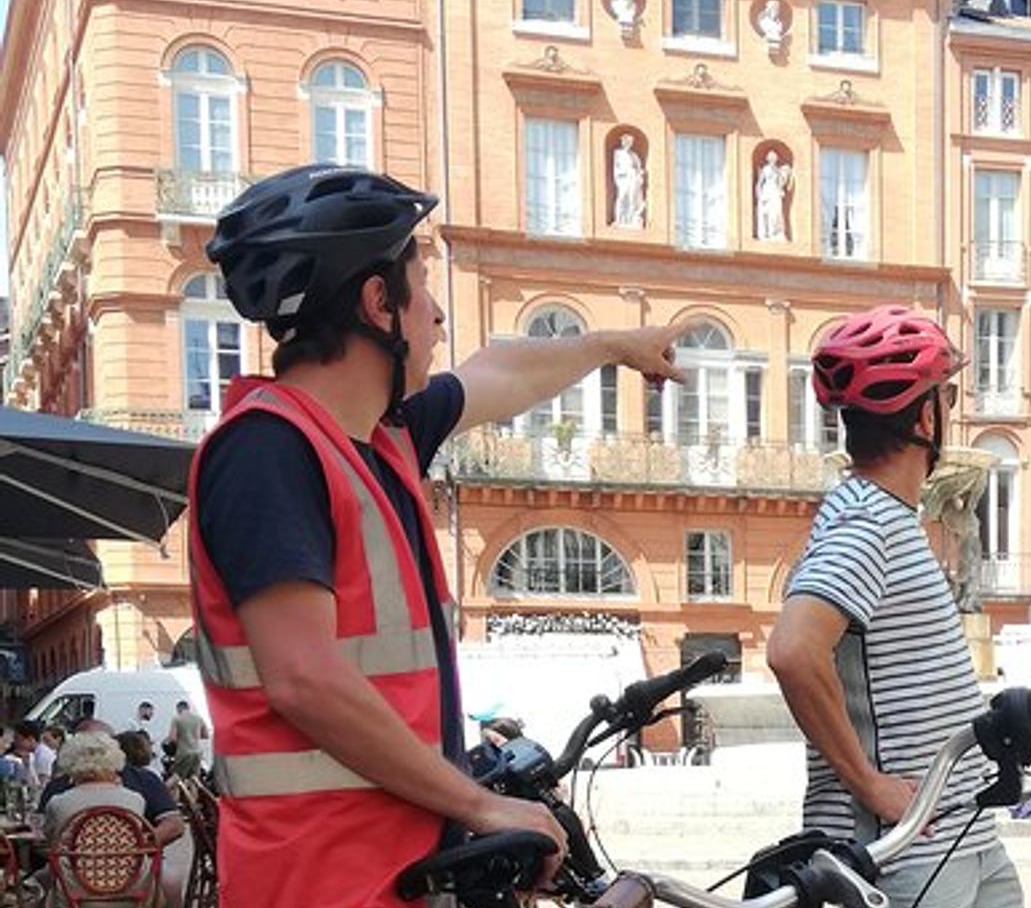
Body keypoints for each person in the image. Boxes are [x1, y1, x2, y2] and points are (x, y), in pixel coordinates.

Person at [189, 164, 691, 908]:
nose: (437, 319)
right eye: (423, 292)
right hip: (320, 881)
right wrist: (479, 804)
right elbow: (304, 677)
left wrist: (617, 346)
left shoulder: (378, 441)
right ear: (377, 302)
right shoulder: (267, 450)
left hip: (396, 870)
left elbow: (504, 372)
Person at [766, 306, 1023, 908]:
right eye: (947, 397)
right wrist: (870, 785)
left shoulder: (884, 517)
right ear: (927, 415)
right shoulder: (867, 524)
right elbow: (793, 651)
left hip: (959, 834)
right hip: (900, 849)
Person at [39, 731, 149, 908]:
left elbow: (51, 842)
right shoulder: (135, 800)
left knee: (38, 880)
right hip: (131, 888)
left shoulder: (59, 802)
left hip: (75, 892)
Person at [164, 701, 208, 779]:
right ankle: (193, 791)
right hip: (197, 753)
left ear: (179, 708)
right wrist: (193, 735)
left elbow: (172, 738)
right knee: (194, 779)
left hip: (183, 753)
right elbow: (206, 735)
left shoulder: (177, 719)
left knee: (177, 778)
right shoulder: (199, 718)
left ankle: (167, 790)